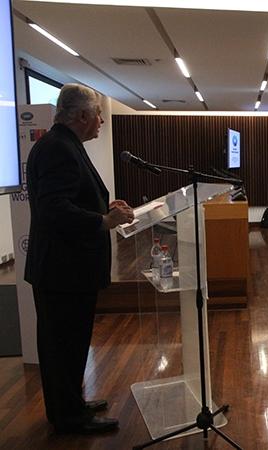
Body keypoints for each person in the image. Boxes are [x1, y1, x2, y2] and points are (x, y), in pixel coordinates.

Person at [25, 84, 135, 434]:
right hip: (62, 271)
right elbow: (54, 210)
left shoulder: (65, 144)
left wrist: (106, 208)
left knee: (70, 346)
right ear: (83, 115)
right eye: (99, 114)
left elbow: (73, 198)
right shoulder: (58, 148)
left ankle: (71, 403)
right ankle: (69, 418)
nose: (102, 121)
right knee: (62, 347)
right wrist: (103, 221)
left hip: (68, 270)